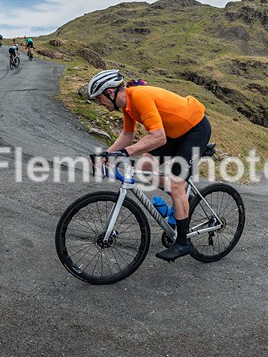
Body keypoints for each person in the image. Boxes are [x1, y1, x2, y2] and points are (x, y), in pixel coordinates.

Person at [88, 69, 211, 262]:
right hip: (174, 133)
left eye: (98, 98)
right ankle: (178, 199)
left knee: (177, 184)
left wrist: (126, 153)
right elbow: (127, 135)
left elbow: (158, 137)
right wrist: (106, 154)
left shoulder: (139, 96)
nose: (99, 103)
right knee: (145, 169)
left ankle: (183, 242)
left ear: (109, 93)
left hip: (195, 128)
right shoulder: (127, 104)